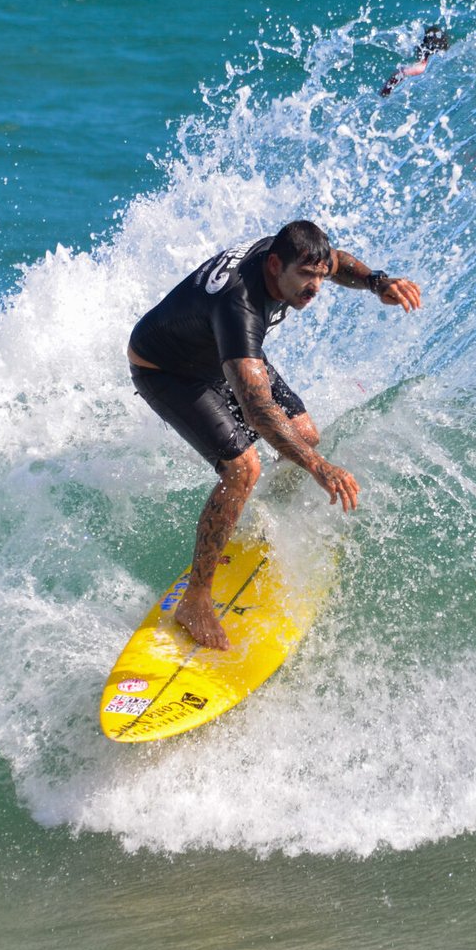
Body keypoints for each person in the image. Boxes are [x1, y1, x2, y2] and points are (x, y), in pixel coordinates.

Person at [128, 220, 422, 650]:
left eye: (319, 276)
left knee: (305, 434)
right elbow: (260, 413)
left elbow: (336, 262)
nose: (316, 287)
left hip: (219, 350)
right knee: (243, 467)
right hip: (168, 369)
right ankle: (195, 600)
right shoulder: (240, 307)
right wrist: (319, 469)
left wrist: (378, 281)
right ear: (273, 266)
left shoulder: (293, 254)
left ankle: (261, 517)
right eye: (306, 276)